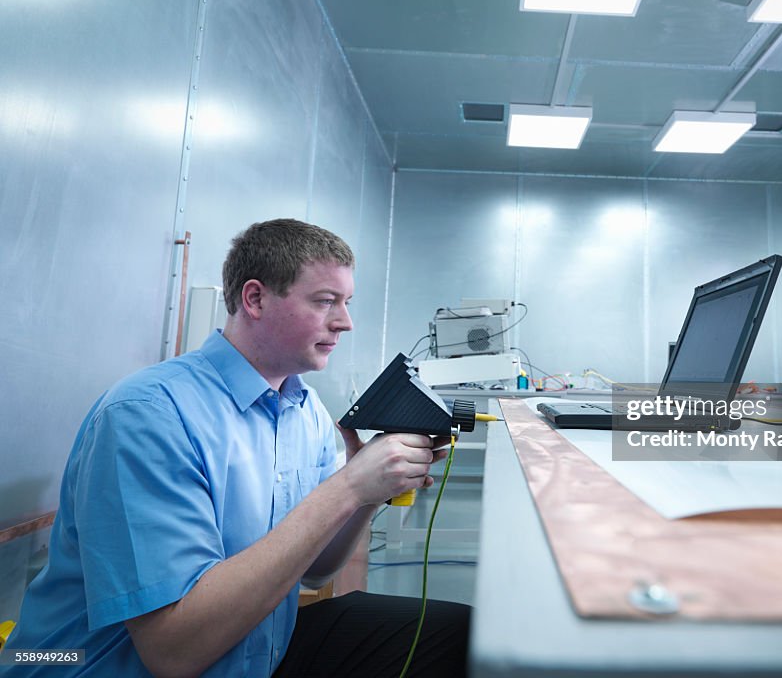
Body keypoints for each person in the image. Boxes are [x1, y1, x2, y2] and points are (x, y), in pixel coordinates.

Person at [5, 219, 470, 677]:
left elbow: (316, 571)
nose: (345, 322)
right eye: (325, 301)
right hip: (100, 665)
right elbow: (174, 652)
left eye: (347, 302)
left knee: (457, 634)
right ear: (255, 299)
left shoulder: (303, 408)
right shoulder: (148, 415)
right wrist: (347, 488)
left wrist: (368, 491)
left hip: (252, 649)